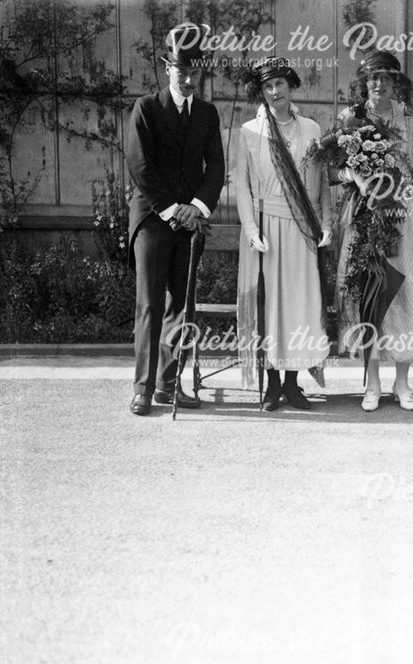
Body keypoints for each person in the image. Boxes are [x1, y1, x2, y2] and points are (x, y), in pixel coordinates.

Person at [126, 24, 225, 416]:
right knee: (151, 302)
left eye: (194, 73)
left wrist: (197, 207)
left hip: (189, 221)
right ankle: (143, 389)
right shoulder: (146, 109)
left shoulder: (207, 114)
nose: (187, 79)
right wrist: (172, 208)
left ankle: (170, 384)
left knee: (183, 306)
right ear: (167, 67)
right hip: (153, 218)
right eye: (180, 71)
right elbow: (140, 165)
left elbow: (215, 167)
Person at [331, 51, 413, 412]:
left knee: (406, 293)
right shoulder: (351, 117)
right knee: (372, 294)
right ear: (364, 83)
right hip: (367, 213)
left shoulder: (407, 118)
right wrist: (359, 179)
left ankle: (403, 383)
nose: (378, 84)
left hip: (403, 214)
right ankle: (373, 383)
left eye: (385, 78)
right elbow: (336, 170)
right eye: (372, 78)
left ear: (395, 83)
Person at [235, 57, 333, 411]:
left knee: (299, 306)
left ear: (291, 86)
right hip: (267, 230)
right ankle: (272, 385)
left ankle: (293, 384)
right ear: (260, 92)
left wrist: (326, 224)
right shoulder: (250, 132)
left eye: (280, 83)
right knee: (271, 306)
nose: (274, 91)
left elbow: (322, 183)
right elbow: (241, 187)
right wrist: (249, 229)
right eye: (267, 86)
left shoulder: (311, 129)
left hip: (302, 229)